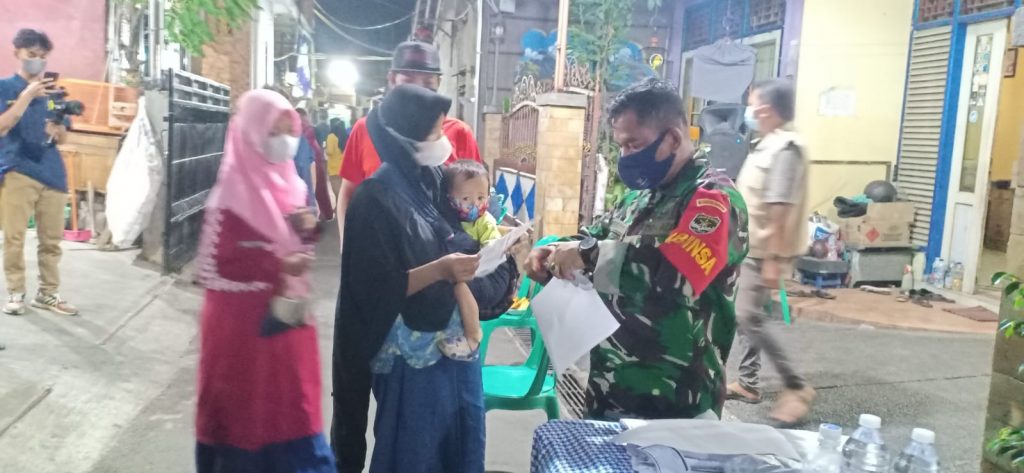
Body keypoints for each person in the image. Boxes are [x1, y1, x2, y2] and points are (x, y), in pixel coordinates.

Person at [524, 78, 749, 420]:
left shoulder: (713, 200)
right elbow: (594, 236)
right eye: (621, 146)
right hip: (610, 386)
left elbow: (678, 274)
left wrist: (587, 255)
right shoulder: (639, 197)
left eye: (634, 145)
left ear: (673, 138)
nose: (625, 157)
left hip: (675, 399)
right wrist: (554, 252)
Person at [333, 85, 487, 473]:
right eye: (435, 132)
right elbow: (372, 290)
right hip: (409, 359)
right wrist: (441, 270)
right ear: (405, 135)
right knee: (414, 453)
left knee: (457, 447)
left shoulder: (431, 180)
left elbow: (456, 230)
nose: (443, 140)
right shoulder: (374, 198)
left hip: (451, 351)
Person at [193, 89, 335, 473]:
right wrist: (277, 264)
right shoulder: (230, 195)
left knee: (294, 411)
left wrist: (307, 230)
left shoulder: (291, 185)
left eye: (290, 131)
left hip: (287, 326)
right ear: (252, 133)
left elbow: (294, 241)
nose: (284, 141)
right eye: (275, 131)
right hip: (242, 334)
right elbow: (214, 264)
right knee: (248, 420)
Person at [335, 41, 481, 251]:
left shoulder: (459, 133)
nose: (418, 93)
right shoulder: (366, 129)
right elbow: (349, 193)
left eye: (428, 84)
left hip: (444, 255)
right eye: (408, 83)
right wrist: (347, 246)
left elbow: (477, 192)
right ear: (392, 79)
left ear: (439, 83)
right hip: (381, 253)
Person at [727, 79, 815, 426]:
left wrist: (774, 261)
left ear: (766, 108)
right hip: (751, 245)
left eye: (752, 103)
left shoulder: (785, 149)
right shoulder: (767, 144)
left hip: (765, 250)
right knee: (747, 315)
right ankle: (748, 383)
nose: (749, 110)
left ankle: (796, 385)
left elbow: (780, 206)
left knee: (747, 316)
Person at [0, 29, 78, 316]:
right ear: (17, 53)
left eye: (43, 56)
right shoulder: (5, 87)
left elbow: (64, 137)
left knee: (51, 241)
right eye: (31, 55)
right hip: (17, 169)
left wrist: (56, 129)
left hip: (52, 172)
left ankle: (48, 293)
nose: (37, 61)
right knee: (14, 237)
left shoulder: (54, 93)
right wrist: (26, 95)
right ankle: (15, 292)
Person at [436, 159, 502, 360]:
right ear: (450, 198)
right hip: (464, 268)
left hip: (481, 272)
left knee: (459, 286)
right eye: (466, 198)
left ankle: (473, 336)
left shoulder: (485, 221)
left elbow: (493, 245)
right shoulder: (448, 218)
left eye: (481, 197)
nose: (475, 204)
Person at [297, 108, 335, 221]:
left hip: (311, 161)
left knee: (311, 190)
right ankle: (327, 213)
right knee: (321, 189)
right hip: (318, 158)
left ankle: (316, 214)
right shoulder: (312, 129)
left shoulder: (304, 132)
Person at [324, 118, 347, 200]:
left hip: (334, 168)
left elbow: (330, 151)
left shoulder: (331, 137)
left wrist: (325, 149)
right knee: (342, 193)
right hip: (343, 168)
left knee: (337, 194)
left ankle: (338, 207)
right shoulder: (345, 136)